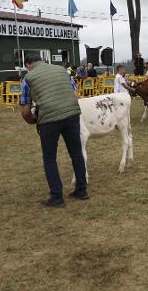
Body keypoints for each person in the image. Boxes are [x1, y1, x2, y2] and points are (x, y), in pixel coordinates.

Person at [19, 54, 88, 208]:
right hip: (72, 114)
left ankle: (57, 197)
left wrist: (32, 121)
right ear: (42, 61)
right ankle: (81, 191)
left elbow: (25, 110)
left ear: (28, 65)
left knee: (49, 158)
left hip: (49, 119)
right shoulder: (62, 70)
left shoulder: (28, 78)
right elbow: (73, 91)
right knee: (76, 153)